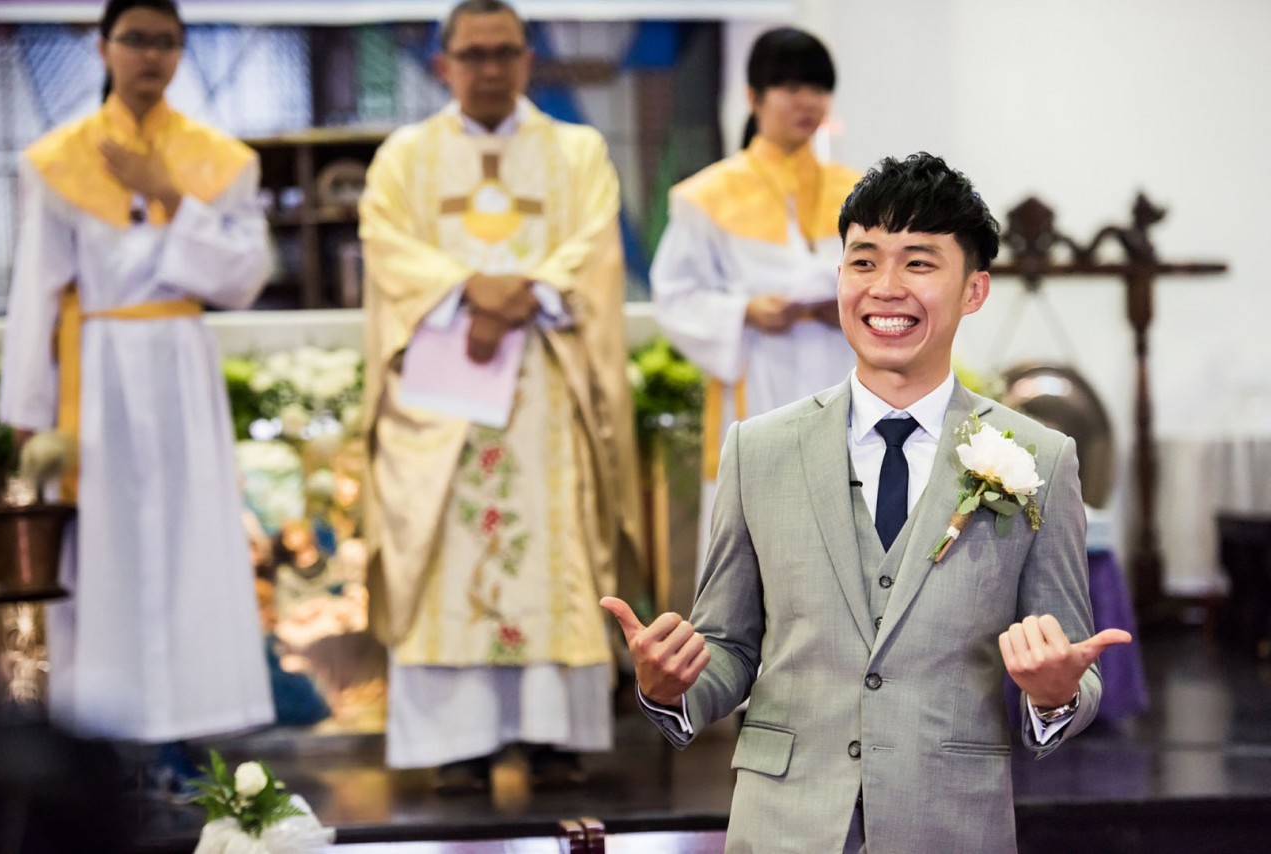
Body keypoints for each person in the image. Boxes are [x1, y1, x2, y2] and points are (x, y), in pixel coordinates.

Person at [603, 153, 1133, 853]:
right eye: (863, 262)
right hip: (784, 826)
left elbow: (1072, 666)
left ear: (974, 289)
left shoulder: (1039, 457)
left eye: (918, 264)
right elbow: (729, 646)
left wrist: (1057, 692)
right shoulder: (758, 449)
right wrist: (668, 687)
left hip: (949, 825)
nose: (885, 288)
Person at [359, 0, 642, 792]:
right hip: (443, 397)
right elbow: (386, 246)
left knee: (554, 543)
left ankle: (554, 737)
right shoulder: (405, 158)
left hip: (548, 384)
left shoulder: (576, 151)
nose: (489, 69)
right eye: (472, 55)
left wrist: (525, 294)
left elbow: (594, 244)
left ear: (527, 60)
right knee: (447, 551)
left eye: (504, 52)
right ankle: (461, 742)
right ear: (442, 64)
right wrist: (470, 293)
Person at [0, 0, 274, 766]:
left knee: (193, 545)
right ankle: (106, 746)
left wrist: (169, 193)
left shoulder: (220, 158)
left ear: (181, 53)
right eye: (136, 39)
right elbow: (35, 293)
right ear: (103, 47)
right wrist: (27, 411)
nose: (151, 55)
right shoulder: (57, 159)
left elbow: (244, 277)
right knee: (103, 558)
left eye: (166, 42)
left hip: (180, 367)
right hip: (97, 374)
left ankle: (190, 735)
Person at [650, 27, 860, 581]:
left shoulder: (861, 193)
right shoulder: (707, 196)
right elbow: (675, 294)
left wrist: (844, 303)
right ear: (753, 96)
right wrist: (745, 310)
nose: (807, 101)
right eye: (790, 87)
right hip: (759, 378)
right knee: (760, 532)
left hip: (842, 373)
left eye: (818, 88)